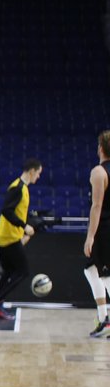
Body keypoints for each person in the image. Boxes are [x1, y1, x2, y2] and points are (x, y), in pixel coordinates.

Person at [0, 158, 43, 320]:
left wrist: (26, 227)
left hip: (7, 235)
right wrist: (24, 226)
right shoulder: (18, 188)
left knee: (10, 271)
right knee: (23, 271)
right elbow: (6, 210)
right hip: (8, 237)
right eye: (38, 173)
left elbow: (17, 212)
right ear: (32, 171)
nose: (38, 177)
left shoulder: (23, 188)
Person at [84, 131, 110, 337]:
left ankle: (105, 319)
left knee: (106, 275)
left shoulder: (99, 172)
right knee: (91, 269)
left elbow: (97, 206)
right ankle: (104, 319)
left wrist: (90, 236)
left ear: (100, 148)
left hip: (105, 228)